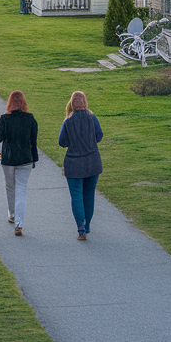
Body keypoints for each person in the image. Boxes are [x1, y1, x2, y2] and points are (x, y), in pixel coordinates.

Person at [59, 90, 103, 240]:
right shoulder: (92, 117)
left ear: (71, 104)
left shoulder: (68, 121)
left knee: (76, 196)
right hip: (92, 161)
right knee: (89, 195)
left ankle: (81, 228)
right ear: (85, 102)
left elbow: (61, 141)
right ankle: (88, 225)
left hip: (73, 163)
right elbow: (99, 136)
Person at [0, 90, 39, 237]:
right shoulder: (30, 118)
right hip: (25, 159)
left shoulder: (4, 118)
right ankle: (19, 223)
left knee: (10, 186)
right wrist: (34, 159)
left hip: (8, 158)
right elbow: (33, 141)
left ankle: (12, 214)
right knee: (21, 190)